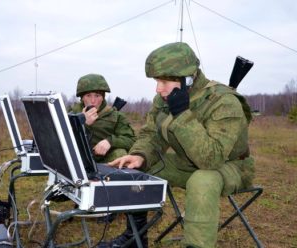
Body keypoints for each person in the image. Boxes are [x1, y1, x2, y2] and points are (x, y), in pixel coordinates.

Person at [107, 42, 255, 248]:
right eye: (157, 81)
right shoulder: (164, 99)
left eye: (164, 82)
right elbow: (151, 134)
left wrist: (183, 115)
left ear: (187, 79)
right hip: (187, 161)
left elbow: (210, 160)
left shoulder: (224, 101)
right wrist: (140, 155)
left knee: (202, 180)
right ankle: (135, 237)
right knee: (137, 169)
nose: (158, 89)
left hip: (229, 166)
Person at [68, 73, 136, 163]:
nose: (93, 101)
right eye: (88, 96)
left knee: (120, 153)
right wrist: (83, 124)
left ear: (103, 97)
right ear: (82, 98)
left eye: (97, 95)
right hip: (77, 160)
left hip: (106, 162)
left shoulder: (116, 116)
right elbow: (61, 140)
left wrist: (110, 141)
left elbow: (131, 140)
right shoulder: (72, 115)